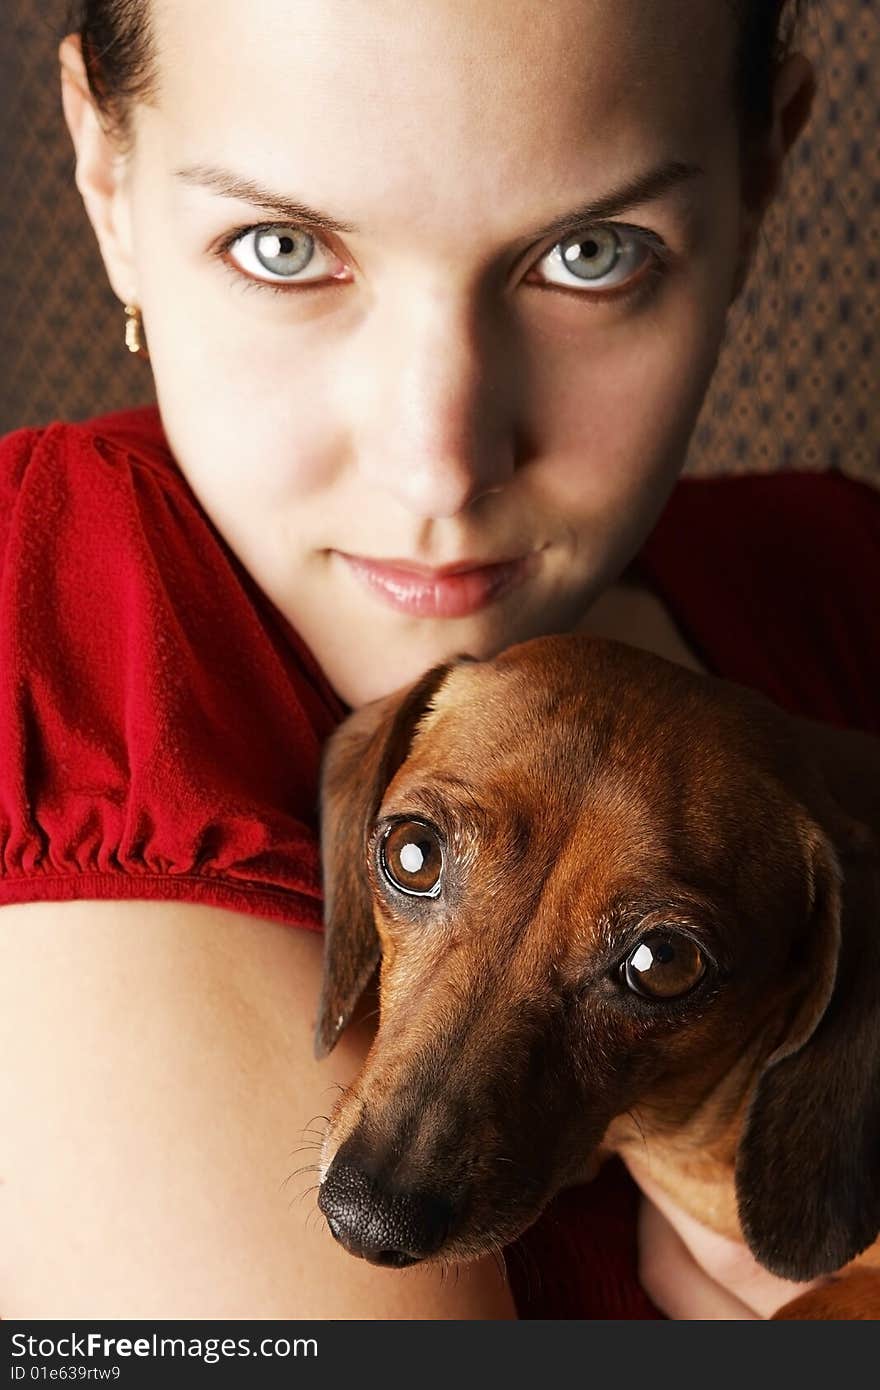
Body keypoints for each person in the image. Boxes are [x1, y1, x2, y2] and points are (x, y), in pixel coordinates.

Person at [1, 0, 876, 1319]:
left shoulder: (846, 572)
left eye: (592, 251)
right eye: (284, 244)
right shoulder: (63, 633)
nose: (440, 462)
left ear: (760, 180)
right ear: (108, 174)